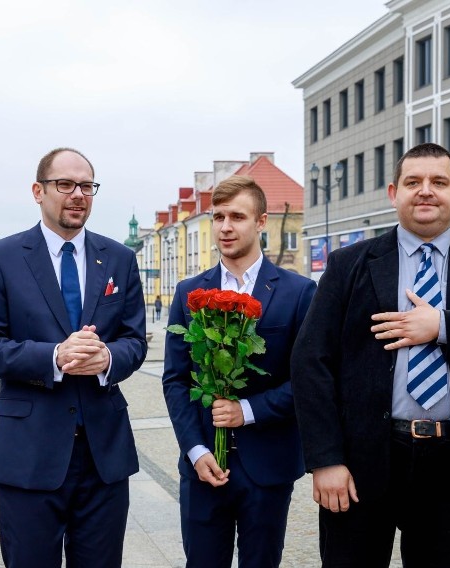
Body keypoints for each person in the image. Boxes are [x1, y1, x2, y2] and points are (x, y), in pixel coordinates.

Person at [291, 143, 450, 567]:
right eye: (413, 182)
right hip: (360, 463)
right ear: (394, 193)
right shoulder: (348, 264)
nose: (425, 191)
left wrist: (444, 326)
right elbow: (310, 361)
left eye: (438, 182)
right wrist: (325, 460)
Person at [0, 147, 147, 567]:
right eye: (65, 185)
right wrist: (54, 356)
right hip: (29, 454)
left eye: (86, 186)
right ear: (38, 190)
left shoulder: (119, 258)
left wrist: (107, 358)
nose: (77, 194)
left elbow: (135, 340)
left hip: (104, 455)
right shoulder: (1, 257)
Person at [162, 176, 316, 567]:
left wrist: (247, 411)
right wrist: (196, 451)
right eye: (218, 217)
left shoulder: (298, 293)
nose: (225, 226)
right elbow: (177, 380)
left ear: (261, 222)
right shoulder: (188, 293)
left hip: (268, 466)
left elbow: (308, 380)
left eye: (237, 216)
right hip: (202, 468)